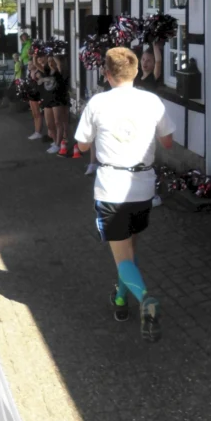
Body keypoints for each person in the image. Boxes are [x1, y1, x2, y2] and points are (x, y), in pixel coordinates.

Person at [75, 47, 175, 342]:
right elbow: (168, 142)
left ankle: (146, 301)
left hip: (112, 188)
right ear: (134, 72)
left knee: (122, 257)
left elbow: (81, 146)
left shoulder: (98, 103)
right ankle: (121, 300)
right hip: (143, 187)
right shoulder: (152, 100)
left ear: (106, 74)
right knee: (128, 252)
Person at [35, 52, 59, 152]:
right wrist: (34, 54)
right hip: (47, 99)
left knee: (58, 123)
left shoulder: (59, 71)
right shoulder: (47, 70)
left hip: (57, 99)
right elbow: (36, 64)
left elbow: (59, 65)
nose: (50, 63)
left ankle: (59, 143)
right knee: (49, 123)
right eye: (49, 61)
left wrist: (54, 54)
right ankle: (55, 141)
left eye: (52, 61)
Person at [25, 53, 44, 140]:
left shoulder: (37, 73)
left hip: (37, 94)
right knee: (34, 114)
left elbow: (41, 85)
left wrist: (41, 98)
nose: (28, 66)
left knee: (37, 114)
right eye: (28, 64)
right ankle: (36, 131)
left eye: (30, 64)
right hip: (31, 94)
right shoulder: (30, 72)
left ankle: (38, 132)